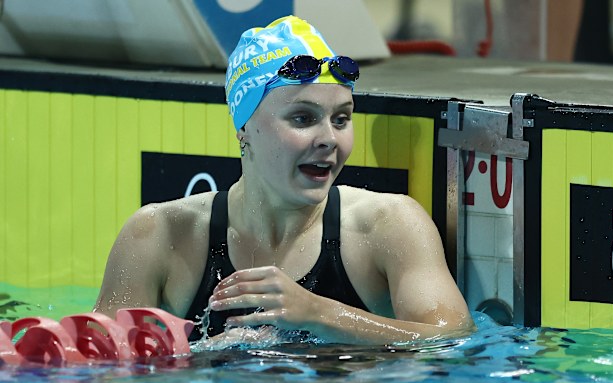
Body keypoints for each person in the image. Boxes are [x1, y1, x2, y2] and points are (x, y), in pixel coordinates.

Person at [94, 15, 474, 345]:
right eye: (303, 118)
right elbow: (109, 371)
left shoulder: (389, 226)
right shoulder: (158, 236)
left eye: (341, 119)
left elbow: (452, 340)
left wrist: (319, 314)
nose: (329, 138)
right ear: (244, 128)